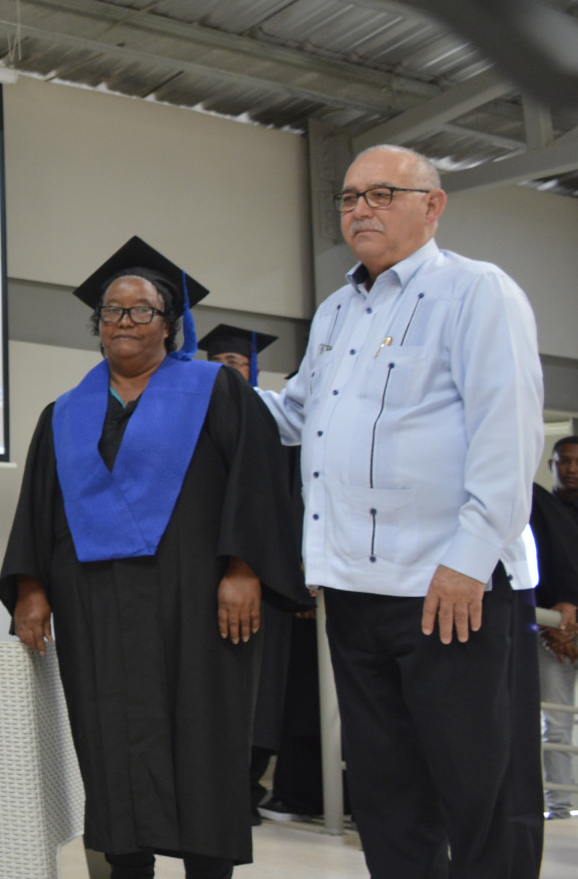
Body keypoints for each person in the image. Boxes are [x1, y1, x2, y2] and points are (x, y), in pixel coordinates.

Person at [259, 145, 544, 878]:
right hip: (354, 589)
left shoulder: (476, 292)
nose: (360, 209)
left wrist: (469, 560)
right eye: (350, 197)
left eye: (381, 194)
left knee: (481, 789)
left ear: (433, 205)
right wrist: (205, 391)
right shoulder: (335, 311)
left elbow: (508, 434)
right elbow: (297, 418)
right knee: (387, 794)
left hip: (451, 587)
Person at [0, 237, 306, 879]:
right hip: (93, 601)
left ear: (170, 324)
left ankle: (208, 870)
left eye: (141, 310)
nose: (124, 322)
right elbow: (39, 508)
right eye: (112, 311)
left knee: (204, 730)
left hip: (198, 598)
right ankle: (127, 866)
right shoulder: (65, 414)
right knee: (106, 734)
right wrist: (30, 587)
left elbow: (256, 482)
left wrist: (244, 567)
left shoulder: (216, 391)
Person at [198, 324, 305, 826]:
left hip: (265, 571)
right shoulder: (194, 413)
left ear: (254, 369)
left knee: (262, 689)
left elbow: (293, 496)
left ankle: (245, 787)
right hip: (203, 570)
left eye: (236, 363)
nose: (226, 370)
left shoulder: (276, 423)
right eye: (218, 361)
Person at [532, 437, 578, 819]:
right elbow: (533, 569)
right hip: (550, 630)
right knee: (557, 722)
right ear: (552, 464)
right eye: (564, 461)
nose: (572, 469)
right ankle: (561, 808)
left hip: (564, 626)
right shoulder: (536, 508)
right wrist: (555, 626)